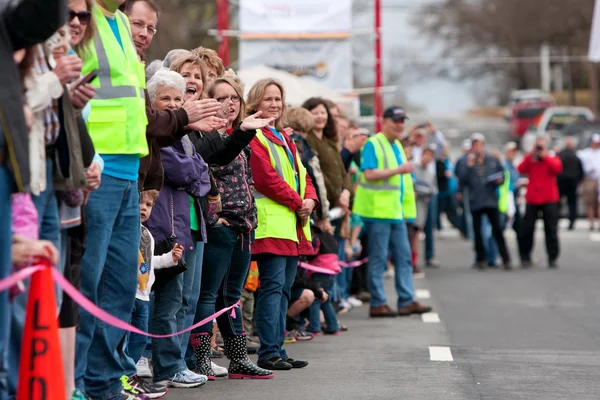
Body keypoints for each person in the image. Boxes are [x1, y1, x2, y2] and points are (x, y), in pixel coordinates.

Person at [74, 1, 151, 398]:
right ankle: (79, 384)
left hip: (127, 172)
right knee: (88, 282)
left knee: (121, 285)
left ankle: (104, 384)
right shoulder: (82, 17)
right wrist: (90, 157)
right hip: (96, 170)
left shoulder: (119, 20)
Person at [188, 75, 276, 380]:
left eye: (234, 98)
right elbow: (208, 167)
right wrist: (216, 217)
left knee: (233, 295)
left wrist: (250, 217)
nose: (229, 103)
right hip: (220, 226)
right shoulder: (207, 136)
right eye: (222, 98)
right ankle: (199, 358)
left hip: (243, 226)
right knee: (208, 294)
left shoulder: (239, 134)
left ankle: (238, 358)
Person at [142, 69, 211, 390]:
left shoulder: (183, 135)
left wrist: (196, 170)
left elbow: (203, 177)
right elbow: (183, 171)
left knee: (183, 301)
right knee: (163, 303)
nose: (172, 104)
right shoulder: (158, 133)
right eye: (164, 98)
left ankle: (175, 362)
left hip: (186, 226)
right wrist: (197, 170)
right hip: (161, 227)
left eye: (177, 98)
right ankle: (167, 365)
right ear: (151, 102)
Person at [248, 78, 318, 370]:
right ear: (255, 103)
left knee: (283, 290)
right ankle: (268, 352)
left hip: (291, 226)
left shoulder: (283, 137)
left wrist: (311, 200)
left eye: (278, 99)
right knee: (272, 289)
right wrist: (298, 202)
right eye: (268, 99)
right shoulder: (255, 136)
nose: (274, 104)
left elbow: (304, 176)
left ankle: (278, 348)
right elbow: (266, 178)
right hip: (271, 226)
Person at [353, 106, 432, 317]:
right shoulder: (373, 144)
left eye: (402, 121)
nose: (400, 125)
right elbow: (369, 174)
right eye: (396, 121)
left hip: (394, 211)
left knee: (404, 257)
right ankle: (378, 302)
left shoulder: (395, 144)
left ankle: (406, 300)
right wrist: (399, 169)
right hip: (377, 211)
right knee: (379, 258)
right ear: (384, 121)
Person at [123, 189, 183, 398]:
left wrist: (170, 259)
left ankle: (130, 373)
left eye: (148, 206)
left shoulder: (147, 235)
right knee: (125, 338)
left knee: (139, 339)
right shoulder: (126, 231)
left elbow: (150, 263)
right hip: (129, 294)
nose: (143, 208)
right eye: (140, 203)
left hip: (144, 296)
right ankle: (123, 373)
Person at [457, 133, 512, 270]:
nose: (477, 148)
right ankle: (480, 259)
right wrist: (469, 166)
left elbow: (503, 176)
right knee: (477, 232)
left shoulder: (492, 159)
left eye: (479, 145)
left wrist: (499, 181)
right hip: (476, 199)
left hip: (491, 199)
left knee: (497, 230)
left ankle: (506, 258)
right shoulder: (466, 161)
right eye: (474, 145)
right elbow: (462, 180)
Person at [518, 136, 563, 268]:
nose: (539, 149)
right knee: (527, 228)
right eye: (537, 146)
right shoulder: (531, 159)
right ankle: (525, 255)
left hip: (549, 198)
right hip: (533, 198)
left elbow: (557, 169)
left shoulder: (552, 157)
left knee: (551, 229)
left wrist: (545, 156)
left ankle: (552, 257)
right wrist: (530, 155)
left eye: (541, 147)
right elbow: (520, 169)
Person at [557, 136, 583, 230]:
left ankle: (556, 220)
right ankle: (571, 222)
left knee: (558, 203)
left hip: (560, 182)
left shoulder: (560, 155)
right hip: (572, 183)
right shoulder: (575, 156)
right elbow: (580, 171)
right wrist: (578, 180)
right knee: (572, 204)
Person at [578, 134, 600, 230]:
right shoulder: (585, 153)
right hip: (589, 180)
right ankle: (591, 223)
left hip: (599, 179)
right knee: (590, 202)